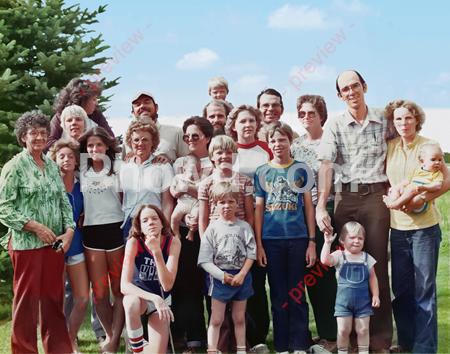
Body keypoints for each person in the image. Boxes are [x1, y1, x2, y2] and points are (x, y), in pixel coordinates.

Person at [316, 69, 392, 352]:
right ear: (339, 95)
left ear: (364, 86)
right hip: (345, 197)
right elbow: (325, 164)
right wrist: (322, 205)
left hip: (375, 197)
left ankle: (380, 340)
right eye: (345, 89)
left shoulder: (385, 119)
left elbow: (399, 151)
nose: (351, 92)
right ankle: (346, 340)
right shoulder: (335, 124)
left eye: (355, 86)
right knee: (346, 265)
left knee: (377, 267)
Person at [0, 111, 74, 353]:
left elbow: (64, 202)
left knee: (53, 300)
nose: (39, 137)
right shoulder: (14, 167)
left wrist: (69, 231)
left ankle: (59, 349)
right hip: (25, 246)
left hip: (54, 245)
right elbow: (4, 208)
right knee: (27, 302)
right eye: (34, 133)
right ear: (23, 137)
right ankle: (24, 350)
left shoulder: (52, 166)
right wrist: (35, 226)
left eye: (43, 133)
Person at [384, 99, 450, 353]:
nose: (403, 123)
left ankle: (425, 347)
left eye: (408, 118)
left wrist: (422, 199)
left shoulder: (429, 146)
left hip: (424, 229)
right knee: (401, 290)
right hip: (398, 229)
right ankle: (406, 343)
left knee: (424, 290)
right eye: (398, 119)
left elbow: (446, 180)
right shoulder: (390, 147)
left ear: (417, 119)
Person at [254, 122, 316, 353]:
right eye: (273, 140)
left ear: (290, 142)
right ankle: (281, 345)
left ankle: (299, 343)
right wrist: (259, 244)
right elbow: (259, 209)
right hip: (271, 240)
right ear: (268, 144)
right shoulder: (262, 172)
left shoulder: (302, 169)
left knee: (297, 292)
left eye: (282, 140)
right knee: (279, 293)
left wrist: (311, 241)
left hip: (298, 238)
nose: (277, 144)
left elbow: (309, 206)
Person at [291, 95, 337, 353]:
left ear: (322, 116)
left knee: (330, 271)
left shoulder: (332, 142)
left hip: (331, 209)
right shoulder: (296, 147)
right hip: (304, 214)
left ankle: (338, 333)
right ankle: (326, 333)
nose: (306, 117)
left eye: (311, 113)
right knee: (314, 275)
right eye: (302, 113)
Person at [225, 104, 272, 352]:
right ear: (234, 126)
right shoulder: (228, 151)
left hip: (261, 219)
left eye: (252, 121)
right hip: (233, 222)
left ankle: (259, 334)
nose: (247, 125)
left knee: (256, 280)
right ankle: (235, 336)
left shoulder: (265, 150)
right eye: (242, 121)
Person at [78, 126, 125, 353]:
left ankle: (114, 340)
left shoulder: (119, 168)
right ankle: (110, 336)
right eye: (90, 145)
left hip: (116, 231)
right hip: (92, 234)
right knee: (99, 293)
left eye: (98, 144)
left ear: (107, 146)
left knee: (119, 290)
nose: (94, 149)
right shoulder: (81, 171)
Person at [170, 117, 214, 353]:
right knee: (187, 284)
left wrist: (191, 190)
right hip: (185, 231)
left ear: (207, 137)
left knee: (211, 283)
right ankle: (194, 337)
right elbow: (173, 191)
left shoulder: (216, 160)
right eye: (187, 136)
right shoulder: (178, 163)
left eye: (195, 136)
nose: (190, 140)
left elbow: (217, 189)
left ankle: (217, 335)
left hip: (210, 229)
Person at [198, 181, 257, 354]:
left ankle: (240, 350)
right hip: (219, 279)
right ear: (215, 204)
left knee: (239, 318)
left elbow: (251, 253)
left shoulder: (244, 227)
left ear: (237, 203)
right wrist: (221, 276)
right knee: (216, 319)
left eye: (231, 201)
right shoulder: (212, 229)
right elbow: (204, 260)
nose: (226, 206)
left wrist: (242, 274)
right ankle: (212, 349)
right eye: (222, 202)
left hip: (241, 276)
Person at [121, 204, 181, 353]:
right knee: (130, 302)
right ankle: (137, 349)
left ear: (162, 222)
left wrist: (157, 252)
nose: (151, 222)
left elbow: (167, 286)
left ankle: (136, 341)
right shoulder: (134, 242)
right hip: (141, 298)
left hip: (162, 300)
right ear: (140, 227)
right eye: (145, 220)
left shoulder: (173, 242)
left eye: (154, 218)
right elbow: (124, 285)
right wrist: (154, 298)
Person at [49, 139, 89, 352]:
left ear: (76, 160)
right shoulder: (49, 186)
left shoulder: (82, 186)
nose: (66, 160)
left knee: (83, 298)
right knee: (56, 298)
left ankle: (70, 337)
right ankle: (58, 340)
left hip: (76, 245)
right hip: (55, 246)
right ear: (55, 160)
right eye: (62, 156)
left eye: (71, 156)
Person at [320, 222, 380, 354]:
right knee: (343, 330)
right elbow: (325, 260)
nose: (356, 241)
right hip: (343, 304)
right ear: (342, 240)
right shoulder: (339, 256)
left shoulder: (366, 258)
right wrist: (327, 243)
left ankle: (364, 351)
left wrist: (375, 295)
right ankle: (342, 351)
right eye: (352, 238)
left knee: (363, 330)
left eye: (360, 238)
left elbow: (372, 277)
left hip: (363, 303)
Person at [120, 119, 175, 239]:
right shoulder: (124, 167)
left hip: (153, 224)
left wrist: (164, 228)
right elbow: (121, 198)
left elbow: (167, 202)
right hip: (129, 225)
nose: (140, 143)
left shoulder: (163, 166)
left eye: (145, 139)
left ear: (153, 143)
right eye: (136, 140)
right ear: (130, 142)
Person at [47, 78, 114, 149]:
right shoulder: (60, 116)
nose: (96, 103)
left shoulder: (96, 115)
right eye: (94, 99)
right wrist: (71, 146)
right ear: (82, 100)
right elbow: (49, 142)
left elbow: (111, 140)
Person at [130, 91, 188, 163]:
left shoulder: (176, 133)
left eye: (147, 102)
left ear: (156, 107)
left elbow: (189, 162)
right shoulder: (128, 139)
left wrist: (170, 162)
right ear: (133, 113)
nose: (142, 106)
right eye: (138, 104)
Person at [383, 142, 444, 211]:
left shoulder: (437, 174)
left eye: (440, 160)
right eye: (433, 159)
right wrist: (396, 187)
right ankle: (392, 201)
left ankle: (396, 204)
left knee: (412, 189)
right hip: (407, 197)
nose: (437, 162)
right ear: (422, 161)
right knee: (397, 188)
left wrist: (424, 187)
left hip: (419, 202)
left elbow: (437, 186)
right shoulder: (417, 170)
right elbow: (406, 181)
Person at [170, 154, 201, 240]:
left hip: (195, 205)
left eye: (198, 171)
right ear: (184, 169)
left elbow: (201, 194)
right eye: (193, 171)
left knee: (195, 219)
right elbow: (172, 188)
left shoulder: (199, 181)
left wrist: (187, 188)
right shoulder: (178, 177)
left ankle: (190, 233)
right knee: (174, 218)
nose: (196, 174)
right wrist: (175, 192)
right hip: (182, 204)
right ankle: (176, 234)